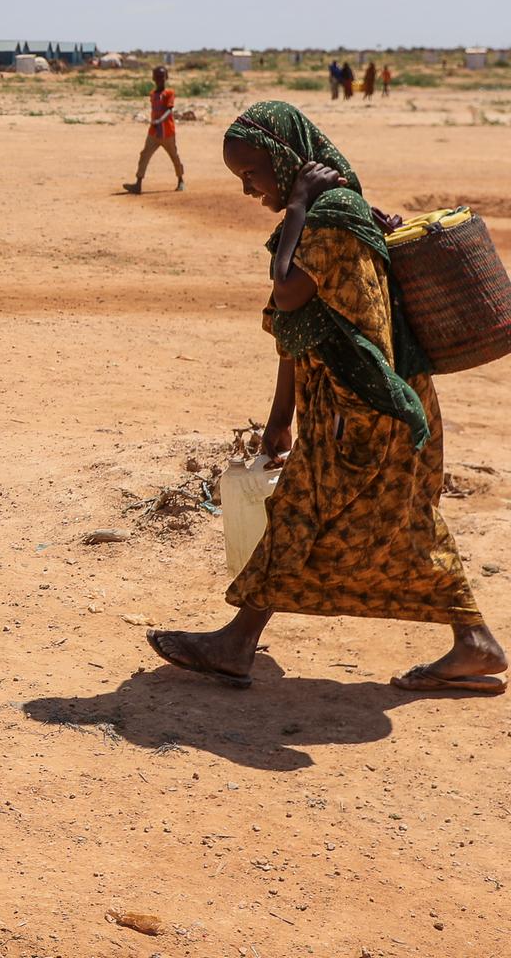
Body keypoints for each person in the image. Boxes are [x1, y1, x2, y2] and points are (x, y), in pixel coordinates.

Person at [147, 101, 506, 694]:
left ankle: (237, 644)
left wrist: (294, 209)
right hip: (366, 405)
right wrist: (279, 418)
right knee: (399, 521)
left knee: (303, 516)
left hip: (362, 409)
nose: (248, 190)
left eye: (253, 175)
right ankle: (474, 642)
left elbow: (288, 296)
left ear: (287, 161)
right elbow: (305, 328)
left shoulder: (330, 215)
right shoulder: (337, 211)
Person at [123, 65, 185, 194]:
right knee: (144, 155)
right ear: (153, 78)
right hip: (154, 132)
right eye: (157, 77)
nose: (159, 79)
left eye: (162, 77)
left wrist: (159, 120)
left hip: (167, 132)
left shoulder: (169, 93)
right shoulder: (152, 94)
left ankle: (180, 180)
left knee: (174, 156)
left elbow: (169, 110)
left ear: (166, 78)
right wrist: (155, 122)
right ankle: (138, 183)